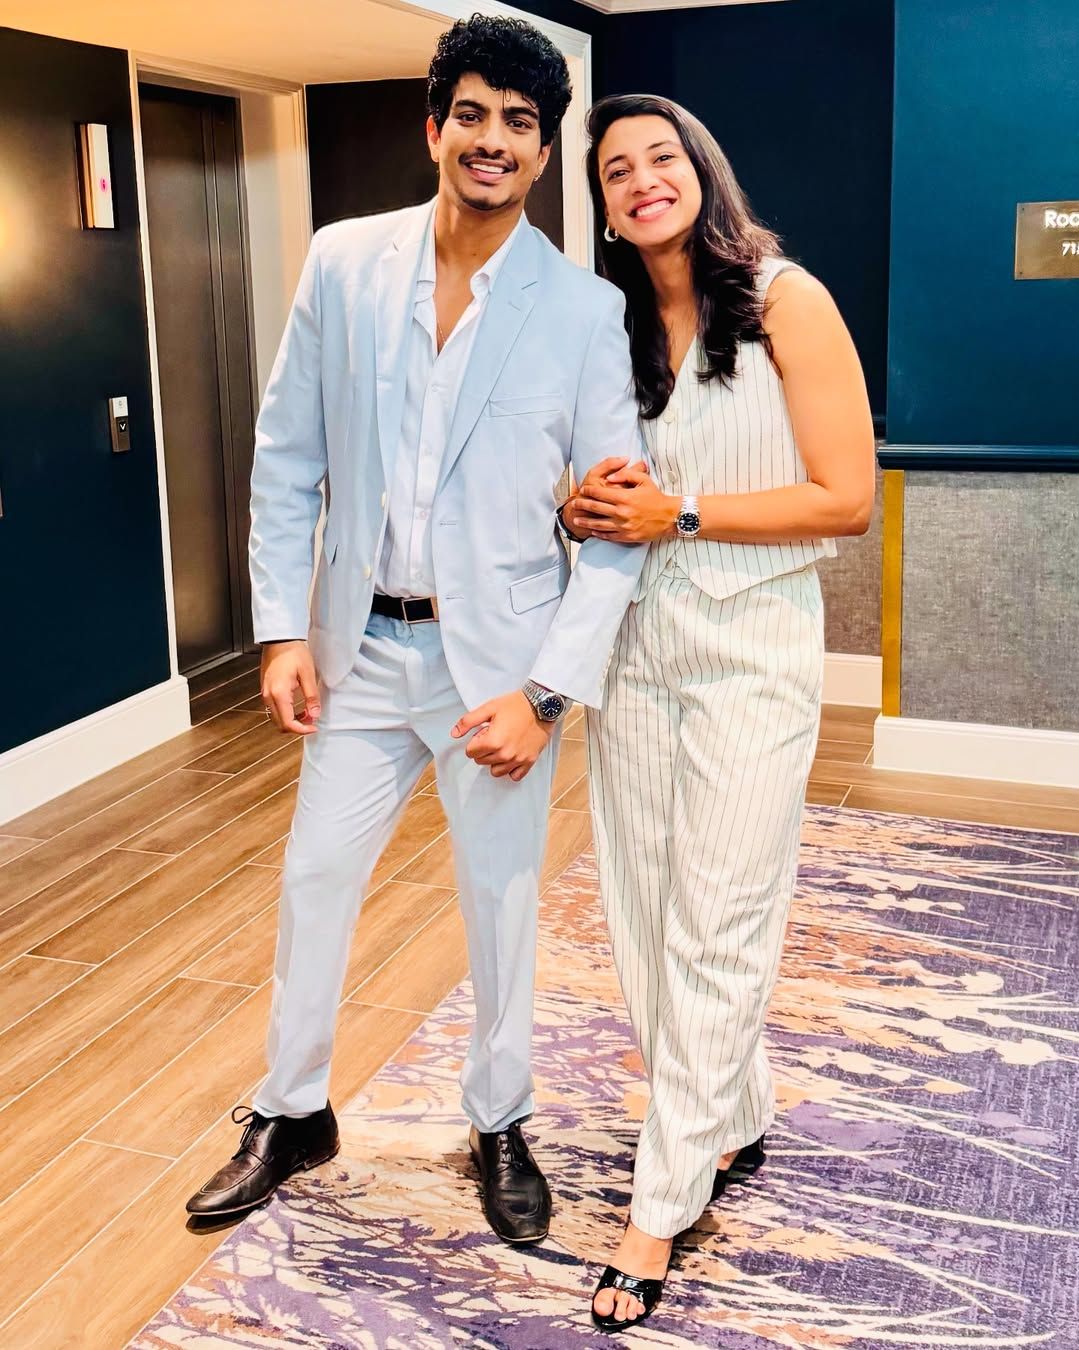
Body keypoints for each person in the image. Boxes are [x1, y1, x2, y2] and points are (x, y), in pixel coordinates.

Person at [185, 19, 647, 1246]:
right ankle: (293, 1111)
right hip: (358, 655)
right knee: (314, 882)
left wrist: (549, 695)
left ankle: (501, 1119)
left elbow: (616, 531)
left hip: (499, 671)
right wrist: (280, 630)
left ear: (542, 151)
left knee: (500, 900)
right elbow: (286, 459)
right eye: (473, 114)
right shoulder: (342, 263)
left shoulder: (583, 311)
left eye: (520, 124)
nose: (493, 140)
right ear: (434, 126)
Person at [562, 94, 875, 1331]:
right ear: (603, 204)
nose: (643, 179)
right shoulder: (610, 327)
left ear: (701, 171)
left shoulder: (787, 300)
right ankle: (729, 1113)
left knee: (720, 918)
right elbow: (599, 489)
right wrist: (582, 504)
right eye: (616, 170)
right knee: (644, 914)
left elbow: (845, 497)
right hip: (636, 652)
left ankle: (660, 1204)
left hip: (752, 651)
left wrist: (679, 514)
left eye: (662, 157)